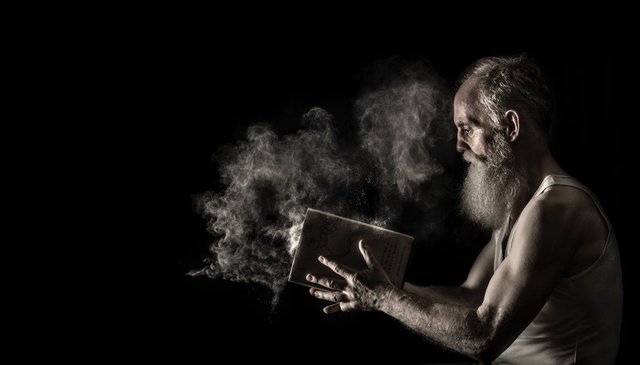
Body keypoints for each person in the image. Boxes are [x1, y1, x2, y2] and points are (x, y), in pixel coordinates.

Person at [305, 55, 623, 364]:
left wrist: (385, 298)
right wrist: (381, 285)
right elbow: (470, 297)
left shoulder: (555, 209)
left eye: (468, 128)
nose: (459, 145)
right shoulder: (519, 208)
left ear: (511, 126)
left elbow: (482, 337)